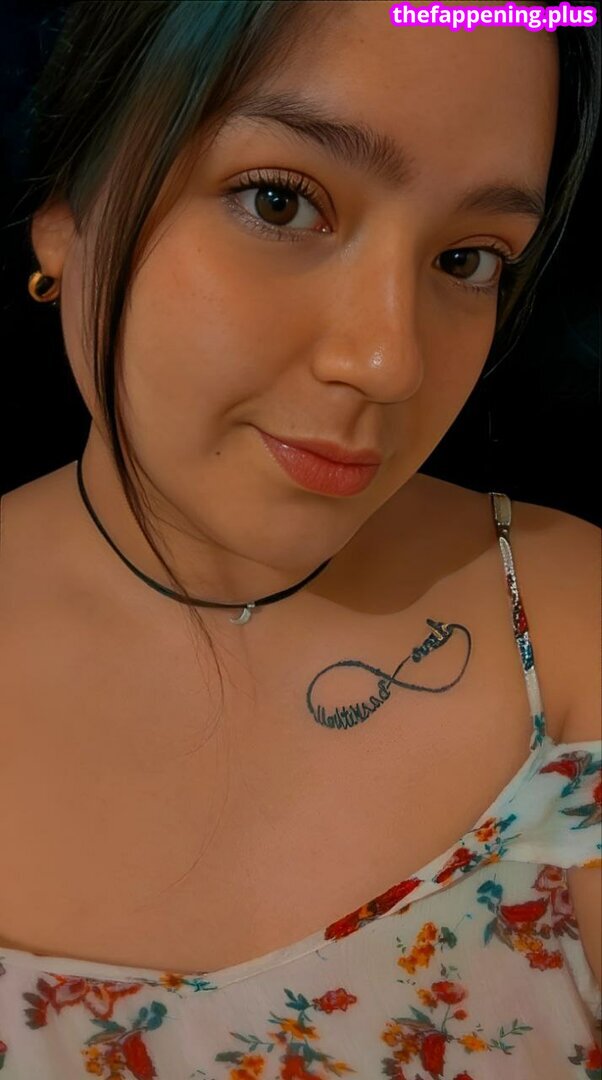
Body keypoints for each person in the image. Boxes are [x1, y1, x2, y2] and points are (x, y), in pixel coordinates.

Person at [0, 1, 600, 1075]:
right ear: (65, 209)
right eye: (279, 201)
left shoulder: (568, 636)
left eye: (467, 259)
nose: (389, 362)